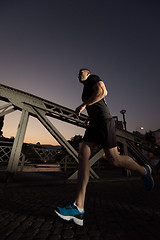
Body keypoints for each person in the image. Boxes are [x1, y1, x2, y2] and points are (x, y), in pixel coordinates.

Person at [54, 68, 154, 226]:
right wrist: (90, 117)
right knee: (83, 155)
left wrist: (83, 105)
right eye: (78, 73)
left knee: (113, 159)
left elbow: (103, 92)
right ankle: (78, 208)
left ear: (88, 73)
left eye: (81, 72)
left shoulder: (94, 78)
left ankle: (144, 170)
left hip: (104, 121)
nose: (78, 75)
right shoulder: (85, 89)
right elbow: (95, 102)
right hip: (94, 123)